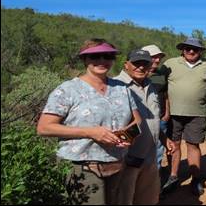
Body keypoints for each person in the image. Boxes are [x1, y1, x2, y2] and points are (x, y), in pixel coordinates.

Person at [37, 38, 141, 205]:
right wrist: (90, 132)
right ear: (84, 59)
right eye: (95, 56)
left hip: (116, 165)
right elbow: (44, 128)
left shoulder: (122, 88)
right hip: (82, 166)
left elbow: (137, 120)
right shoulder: (68, 89)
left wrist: (128, 136)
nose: (102, 61)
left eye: (107, 56)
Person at [161, 37, 206, 196]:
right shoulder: (170, 63)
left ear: (200, 51)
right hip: (173, 113)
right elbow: (158, 82)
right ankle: (173, 176)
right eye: (188, 48)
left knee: (193, 146)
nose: (191, 51)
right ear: (182, 50)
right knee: (173, 146)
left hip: (196, 113)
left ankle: (196, 178)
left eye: (195, 49)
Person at [114, 49, 161, 204]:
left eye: (145, 63)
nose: (141, 67)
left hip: (151, 156)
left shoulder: (150, 86)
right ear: (126, 64)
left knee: (148, 200)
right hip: (128, 159)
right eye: (136, 63)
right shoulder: (116, 86)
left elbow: (152, 119)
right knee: (124, 199)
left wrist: (164, 138)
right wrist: (126, 152)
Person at [141, 44, 170, 171]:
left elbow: (166, 94)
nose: (157, 60)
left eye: (159, 58)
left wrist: (167, 114)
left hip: (160, 118)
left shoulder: (161, 75)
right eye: (154, 57)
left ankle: (155, 177)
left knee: (158, 150)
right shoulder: (137, 74)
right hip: (141, 120)